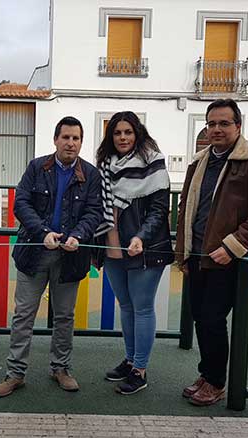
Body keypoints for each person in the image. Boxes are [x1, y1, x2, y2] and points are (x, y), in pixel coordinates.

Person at [175, 98, 248, 406]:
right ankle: (207, 374)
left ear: (238, 126)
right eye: (211, 124)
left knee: (212, 318)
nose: (216, 129)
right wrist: (184, 252)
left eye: (224, 123)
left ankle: (216, 382)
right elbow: (186, 207)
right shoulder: (199, 162)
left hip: (226, 258)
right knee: (200, 317)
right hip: (198, 255)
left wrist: (233, 246)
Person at [0, 116, 102, 398]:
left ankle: (60, 369)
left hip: (71, 257)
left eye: (76, 138)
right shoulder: (36, 167)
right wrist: (43, 232)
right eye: (66, 137)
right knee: (24, 315)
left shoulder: (91, 174)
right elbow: (21, 203)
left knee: (64, 316)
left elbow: (94, 212)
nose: (71, 143)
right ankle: (15, 374)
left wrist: (78, 235)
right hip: (34, 253)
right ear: (55, 140)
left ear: (81, 142)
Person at [92, 111, 173, 395]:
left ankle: (140, 370)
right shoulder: (104, 164)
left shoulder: (153, 162)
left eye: (128, 132)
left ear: (137, 133)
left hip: (144, 248)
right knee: (125, 306)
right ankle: (130, 360)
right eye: (117, 133)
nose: (123, 137)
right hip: (113, 246)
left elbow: (160, 209)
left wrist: (141, 236)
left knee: (142, 307)